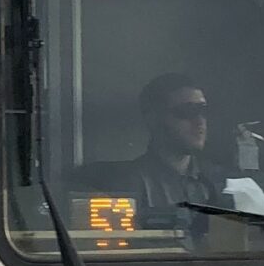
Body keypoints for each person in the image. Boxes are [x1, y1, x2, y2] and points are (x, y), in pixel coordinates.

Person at [84, 72, 234, 212]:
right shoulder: (127, 186)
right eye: (187, 111)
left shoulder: (221, 183)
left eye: (203, 110)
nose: (200, 121)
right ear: (153, 119)